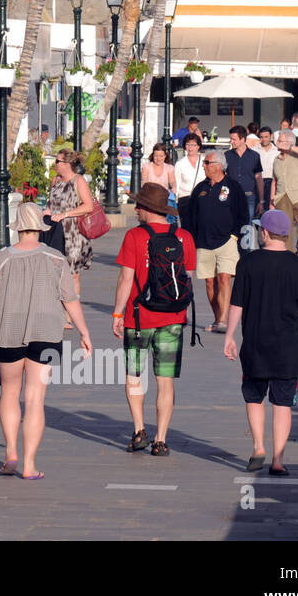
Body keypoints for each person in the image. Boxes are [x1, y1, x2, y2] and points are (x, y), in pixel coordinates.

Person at [0, 202, 92, 478]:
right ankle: (30, 465)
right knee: (35, 399)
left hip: (8, 333)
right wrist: (84, 332)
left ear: (17, 228)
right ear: (40, 228)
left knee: (10, 393)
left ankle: (11, 453)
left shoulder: (3, 258)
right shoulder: (57, 258)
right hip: (47, 334)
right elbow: (71, 300)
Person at [223, 209, 298, 476]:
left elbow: (237, 304)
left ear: (264, 232)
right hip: (287, 347)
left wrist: (230, 336)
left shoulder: (248, 264)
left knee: (254, 397)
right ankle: (278, 459)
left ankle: (258, 447)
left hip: (254, 345)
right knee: (282, 403)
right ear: (286, 235)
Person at [110, 182, 197, 457]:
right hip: (172, 318)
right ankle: (161, 439)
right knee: (165, 380)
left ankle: (138, 430)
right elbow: (188, 279)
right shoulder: (184, 237)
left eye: (139, 205)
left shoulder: (134, 236)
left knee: (135, 375)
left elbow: (126, 279)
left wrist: (117, 313)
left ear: (148, 209)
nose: (135, 209)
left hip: (138, 318)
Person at [189, 150, 247, 333]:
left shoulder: (233, 187)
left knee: (224, 278)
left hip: (226, 241)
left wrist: (235, 235)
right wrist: (191, 239)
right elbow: (190, 216)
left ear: (219, 165)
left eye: (207, 162)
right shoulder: (200, 188)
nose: (204, 165)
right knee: (209, 282)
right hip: (203, 242)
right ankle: (217, 318)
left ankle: (223, 320)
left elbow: (243, 214)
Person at [47, 149, 95, 327]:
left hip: (74, 233)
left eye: (57, 161)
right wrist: (48, 210)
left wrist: (66, 214)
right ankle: (57, 311)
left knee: (72, 274)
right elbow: (50, 203)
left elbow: (88, 206)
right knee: (55, 273)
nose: (55, 164)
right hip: (55, 230)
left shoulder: (78, 181)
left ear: (67, 164)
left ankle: (69, 315)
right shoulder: (56, 181)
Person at [270, 130, 298, 259]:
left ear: (289, 142)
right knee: (284, 234)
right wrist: (271, 202)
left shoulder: (297, 155)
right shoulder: (276, 160)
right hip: (281, 198)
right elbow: (274, 181)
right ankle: (288, 260)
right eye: (278, 140)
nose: (277, 142)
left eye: (281, 140)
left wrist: (291, 147)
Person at [224, 125, 265, 223]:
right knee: (231, 224)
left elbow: (259, 179)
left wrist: (261, 201)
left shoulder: (255, 156)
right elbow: (223, 178)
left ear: (242, 139)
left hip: (249, 197)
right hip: (231, 197)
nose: (231, 141)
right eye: (231, 139)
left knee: (247, 226)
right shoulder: (226, 155)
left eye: (234, 139)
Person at [173, 133, 204, 231]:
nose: (190, 148)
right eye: (188, 144)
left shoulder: (204, 162)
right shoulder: (180, 163)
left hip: (202, 198)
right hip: (185, 199)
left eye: (193, 145)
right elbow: (176, 184)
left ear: (198, 146)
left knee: (201, 225)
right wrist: (175, 201)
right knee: (186, 227)